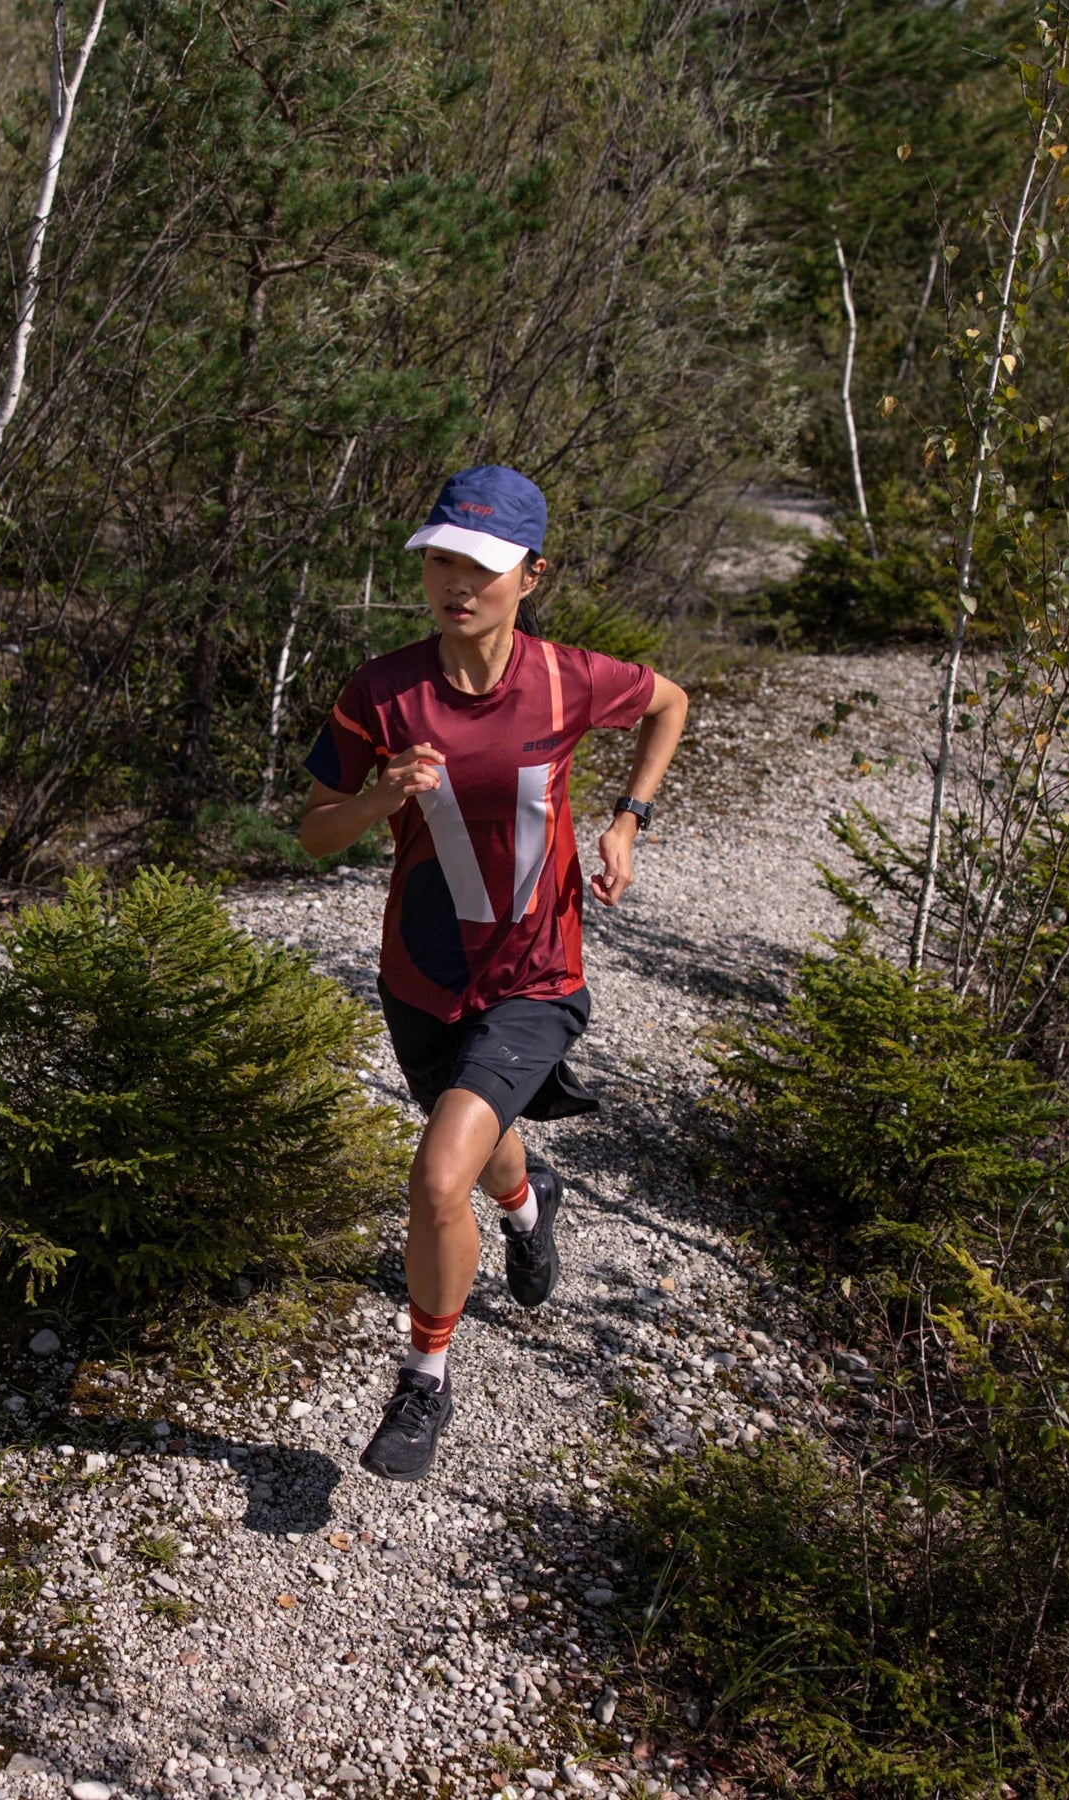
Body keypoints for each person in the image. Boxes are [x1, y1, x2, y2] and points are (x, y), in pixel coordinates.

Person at [298, 464, 689, 1481]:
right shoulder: (380, 691)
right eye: (439, 558)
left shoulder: (566, 680)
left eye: (479, 564)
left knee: (436, 1176)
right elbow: (313, 834)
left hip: (535, 973)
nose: (455, 580)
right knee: (481, 1144)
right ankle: (531, 1204)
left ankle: (424, 1382)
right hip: (422, 970)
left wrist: (626, 821)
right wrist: (380, 796)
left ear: (530, 575)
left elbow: (671, 704)